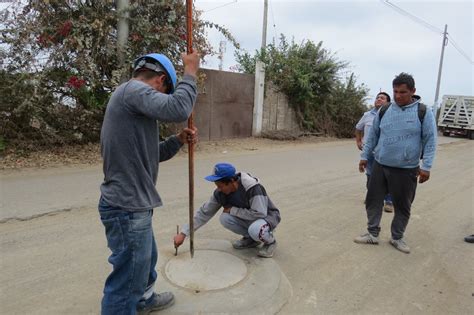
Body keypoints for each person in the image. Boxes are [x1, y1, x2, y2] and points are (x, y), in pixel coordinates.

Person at [99, 51, 200, 314]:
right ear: (160, 80)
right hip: (126, 206)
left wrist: (177, 140)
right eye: (167, 91)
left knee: (146, 261)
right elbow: (179, 108)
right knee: (127, 279)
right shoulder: (132, 90)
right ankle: (131, 302)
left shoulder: (133, 107)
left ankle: (144, 300)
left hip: (133, 205)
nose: (163, 98)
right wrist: (190, 73)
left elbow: (153, 155)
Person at [354, 72, 437, 254]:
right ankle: (372, 233)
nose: (398, 96)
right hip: (380, 166)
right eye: (395, 92)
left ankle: (397, 237)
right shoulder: (385, 110)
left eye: (403, 92)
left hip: (406, 170)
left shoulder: (423, 112)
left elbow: (430, 140)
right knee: (373, 201)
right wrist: (364, 157)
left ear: (413, 91)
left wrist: (427, 167)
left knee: (402, 206)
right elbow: (374, 136)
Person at [174, 163, 281, 258]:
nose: (218, 189)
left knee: (255, 229)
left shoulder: (252, 187)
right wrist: (183, 233)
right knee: (225, 218)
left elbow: (260, 213)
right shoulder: (220, 194)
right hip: (250, 219)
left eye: (220, 186)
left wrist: (233, 210)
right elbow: (204, 213)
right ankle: (252, 239)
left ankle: (270, 242)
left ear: (231, 181)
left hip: (266, 218)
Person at [355, 92, 394, 212]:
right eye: (377, 97)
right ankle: (372, 197)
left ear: (388, 102)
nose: (378, 99)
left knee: (387, 177)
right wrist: (358, 141)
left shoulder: (392, 115)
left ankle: (389, 201)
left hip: (385, 153)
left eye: (382, 98)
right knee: (370, 175)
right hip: (369, 152)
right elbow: (358, 128)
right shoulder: (367, 115)